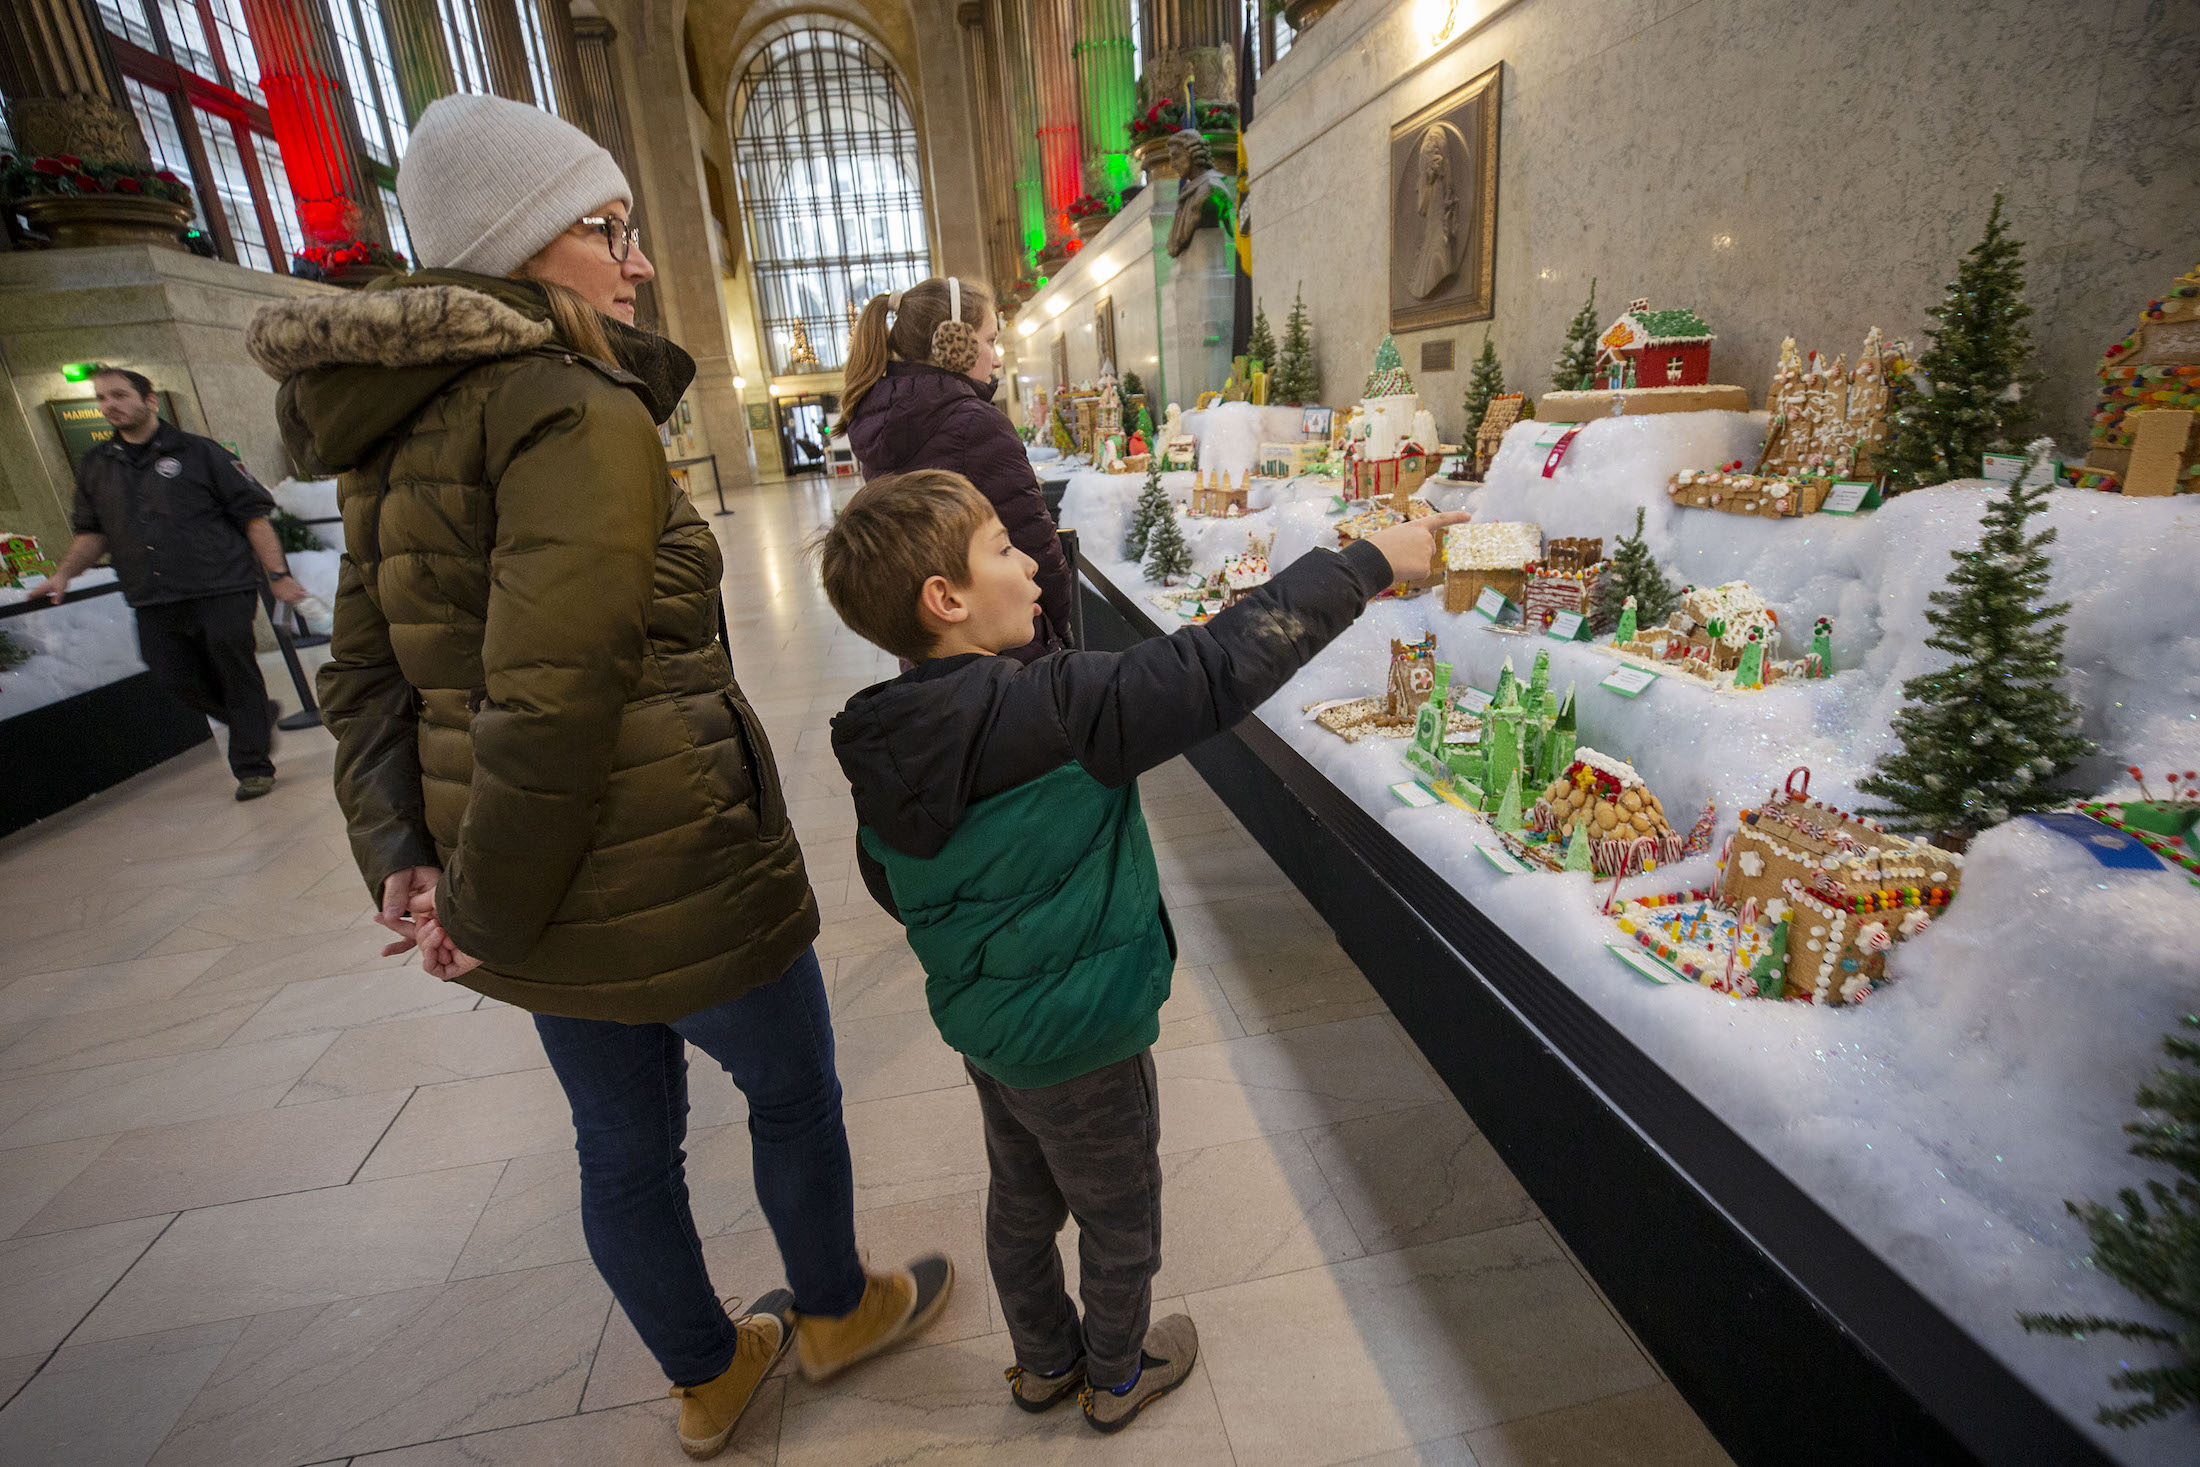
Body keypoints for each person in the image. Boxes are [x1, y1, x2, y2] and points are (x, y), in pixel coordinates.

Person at [244, 93, 949, 1462]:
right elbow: (555, 699)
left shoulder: (391, 424)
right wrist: (483, 916)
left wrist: (406, 854)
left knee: (620, 1143)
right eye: (604, 228)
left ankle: (706, 1375)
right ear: (518, 246)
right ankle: (833, 1310)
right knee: (791, 1088)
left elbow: (366, 675)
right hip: (665, 861)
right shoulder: (569, 405)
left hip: (514, 872)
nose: (634, 262)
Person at [820, 468, 1464, 1432]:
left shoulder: (883, 742)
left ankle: (1043, 1362)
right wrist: (1368, 561)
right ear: (944, 599)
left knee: (1021, 1198)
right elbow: (1219, 665)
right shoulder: (1059, 707)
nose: (1032, 558)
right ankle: (1116, 1374)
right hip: (1087, 1037)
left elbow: (885, 881)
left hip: (991, 1035)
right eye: (1003, 547)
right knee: (1121, 1214)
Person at [32, 367, 306, 800]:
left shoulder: (201, 453)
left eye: (120, 395)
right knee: (173, 676)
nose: (110, 405)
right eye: (102, 398)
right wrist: (64, 573)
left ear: (150, 400)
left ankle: (252, 766)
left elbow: (253, 518)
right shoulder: (97, 465)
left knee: (235, 672)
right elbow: (92, 533)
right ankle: (252, 719)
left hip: (220, 584)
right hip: (153, 594)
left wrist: (278, 576)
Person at [841, 276, 1072, 663]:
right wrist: (1063, 623)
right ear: (954, 343)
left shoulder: (876, 418)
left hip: (930, 637)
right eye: (990, 340)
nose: (997, 358)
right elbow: (1035, 543)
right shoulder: (976, 423)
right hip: (1001, 637)